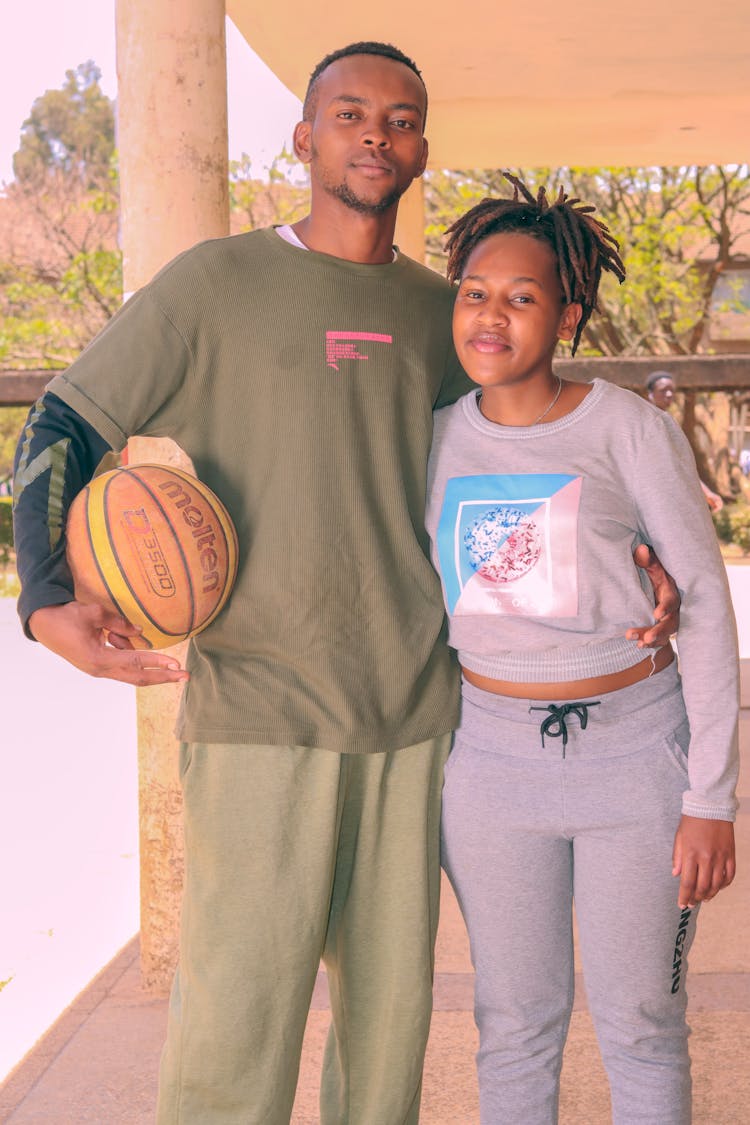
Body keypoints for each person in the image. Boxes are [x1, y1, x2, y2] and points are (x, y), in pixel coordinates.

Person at [12, 49, 678, 1124]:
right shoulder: (212, 287)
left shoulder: (444, 316)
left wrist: (643, 560)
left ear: (420, 149)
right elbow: (61, 424)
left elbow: (536, 459)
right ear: (305, 139)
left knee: (385, 1056)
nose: (378, 132)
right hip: (258, 718)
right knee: (235, 1038)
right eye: (351, 113)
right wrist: (45, 600)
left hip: (417, 718)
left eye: (402, 118)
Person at [425, 176, 740, 1124]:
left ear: (566, 314)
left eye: (523, 297)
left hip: (635, 758)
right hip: (489, 766)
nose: (493, 316)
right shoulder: (431, 440)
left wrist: (711, 797)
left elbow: (712, 612)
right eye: (476, 292)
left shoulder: (625, 428)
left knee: (643, 1022)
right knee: (513, 1022)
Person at [646, 369, 724, 511]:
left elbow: (679, 464)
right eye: (663, 390)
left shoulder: (667, 422)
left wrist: (706, 492)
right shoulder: (645, 422)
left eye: (671, 390)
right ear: (650, 394)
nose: (669, 394)